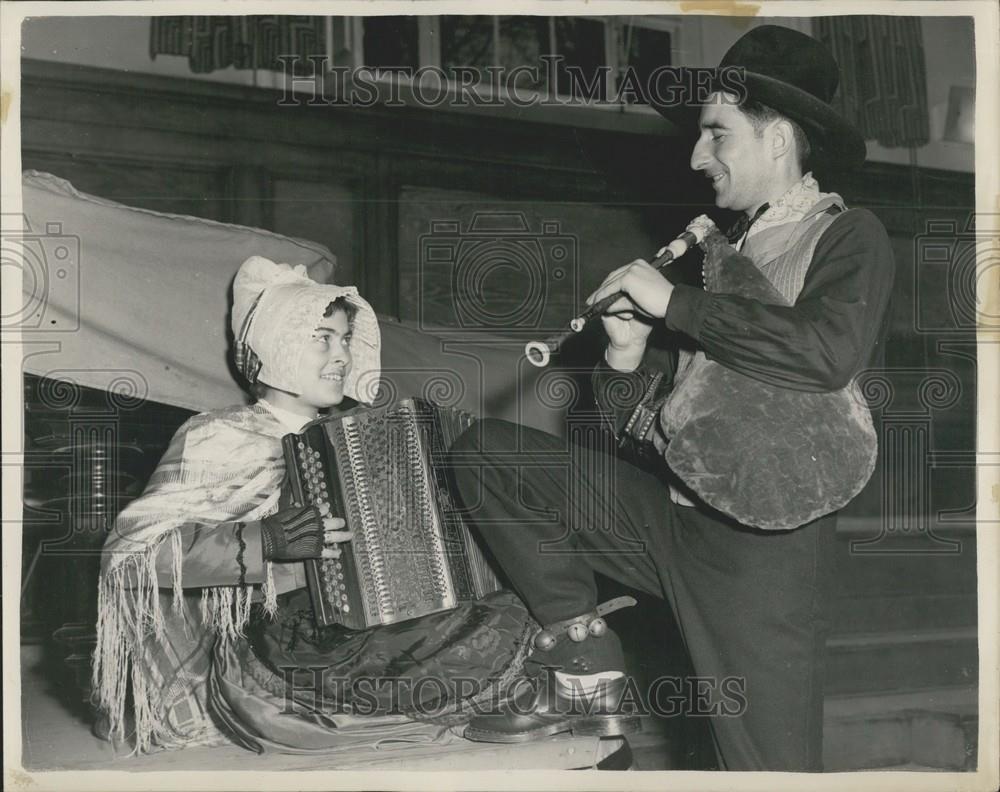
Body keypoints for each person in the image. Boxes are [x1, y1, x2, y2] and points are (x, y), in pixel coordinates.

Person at [450, 25, 895, 771]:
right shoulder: (725, 250)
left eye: (717, 135)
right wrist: (626, 360)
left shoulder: (848, 235)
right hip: (672, 523)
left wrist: (673, 305)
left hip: (766, 557)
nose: (697, 158)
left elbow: (826, 352)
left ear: (779, 140)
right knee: (489, 455)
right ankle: (584, 655)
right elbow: (663, 430)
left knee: (765, 776)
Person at [93, 256, 531, 755]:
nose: (341, 355)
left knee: (510, 608)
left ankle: (492, 692)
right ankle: (480, 698)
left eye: (345, 339)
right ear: (276, 344)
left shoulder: (365, 439)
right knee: (472, 640)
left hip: (362, 626)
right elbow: (130, 556)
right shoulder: (217, 435)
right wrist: (268, 541)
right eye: (321, 337)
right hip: (273, 640)